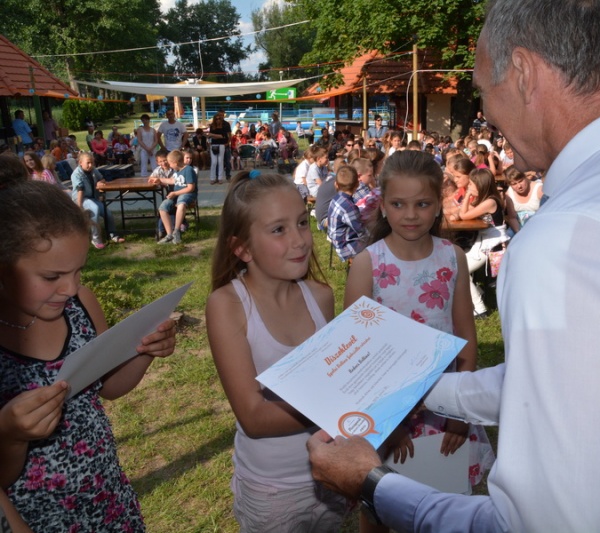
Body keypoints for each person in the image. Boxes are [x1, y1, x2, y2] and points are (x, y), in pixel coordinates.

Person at [307, 1, 600, 532]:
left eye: (484, 90)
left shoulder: (572, 239)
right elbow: (566, 380)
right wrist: (422, 391)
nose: (486, 114)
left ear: (524, 73)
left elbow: (541, 522)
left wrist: (374, 485)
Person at [0, 179, 176, 531]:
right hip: (38, 518)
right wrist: (10, 434)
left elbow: (107, 386)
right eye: (52, 276)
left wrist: (146, 350)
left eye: (79, 270)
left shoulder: (80, 304)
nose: (70, 287)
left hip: (107, 499)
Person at [343, 150, 494, 530]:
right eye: (398, 204)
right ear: (382, 205)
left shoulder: (452, 257)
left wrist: (461, 412)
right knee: (378, 509)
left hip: (446, 410)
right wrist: (386, 424)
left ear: (438, 203)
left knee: (448, 509)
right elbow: (354, 354)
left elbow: (465, 335)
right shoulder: (367, 264)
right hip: (386, 412)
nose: (410, 215)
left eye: (422, 204)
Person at [205, 170, 348, 532]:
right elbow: (254, 417)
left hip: (330, 474)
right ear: (242, 248)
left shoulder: (321, 297)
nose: (300, 240)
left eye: (301, 222)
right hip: (272, 490)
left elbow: (333, 375)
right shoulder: (228, 306)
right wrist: (346, 400)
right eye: (278, 230)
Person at [451, 167, 509, 318]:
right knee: (458, 267)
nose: (469, 186)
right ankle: (479, 292)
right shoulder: (484, 200)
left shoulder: (490, 201)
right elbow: (463, 211)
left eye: (471, 184)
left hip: (492, 246)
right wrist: (460, 210)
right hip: (482, 243)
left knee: (460, 271)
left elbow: (464, 215)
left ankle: (480, 309)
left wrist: (467, 194)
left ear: (480, 185)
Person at [70, 152, 124, 248]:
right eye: (88, 163)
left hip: (92, 197)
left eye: (92, 162)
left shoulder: (93, 170)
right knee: (94, 209)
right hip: (81, 198)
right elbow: (80, 189)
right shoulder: (76, 174)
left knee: (108, 213)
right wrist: (79, 206)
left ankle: (113, 235)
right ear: (80, 163)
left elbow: (102, 179)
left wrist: (99, 182)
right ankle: (96, 239)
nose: (90, 165)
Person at [150, 150, 197, 244]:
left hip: (187, 194)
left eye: (170, 163)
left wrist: (175, 193)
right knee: (162, 208)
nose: (169, 165)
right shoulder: (176, 170)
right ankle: (169, 234)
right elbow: (172, 180)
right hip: (176, 194)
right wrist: (159, 180)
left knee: (181, 204)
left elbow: (190, 188)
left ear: (175, 163)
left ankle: (176, 231)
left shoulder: (188, 170)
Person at [326, 165, 367, 262]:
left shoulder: (335, 199)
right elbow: (361, 230)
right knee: (377, 242)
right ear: (357, 185)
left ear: (336, 184)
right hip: (346, 247)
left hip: (336, 240)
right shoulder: (349, 207)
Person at [504, 166, 544, 233]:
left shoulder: (539, 190)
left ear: (526, 177)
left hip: (538, 226)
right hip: (519, 227)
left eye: (520, 181)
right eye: (514, 184)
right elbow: (512, 218)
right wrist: (518, 232)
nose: (519, 186)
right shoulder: (509, 194)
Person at [208, 113, 230, 184]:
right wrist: (217, 136)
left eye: (219, 119)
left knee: (220, 162)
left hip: (221, 145)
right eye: (216, 119)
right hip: (213, 145)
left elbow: (223, 136)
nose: (218, 120)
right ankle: (212, 178)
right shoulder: (212, 126)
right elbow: (210, 136)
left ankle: (220, 178)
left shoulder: (223, 127)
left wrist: (213, 135)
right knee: (214, 162)